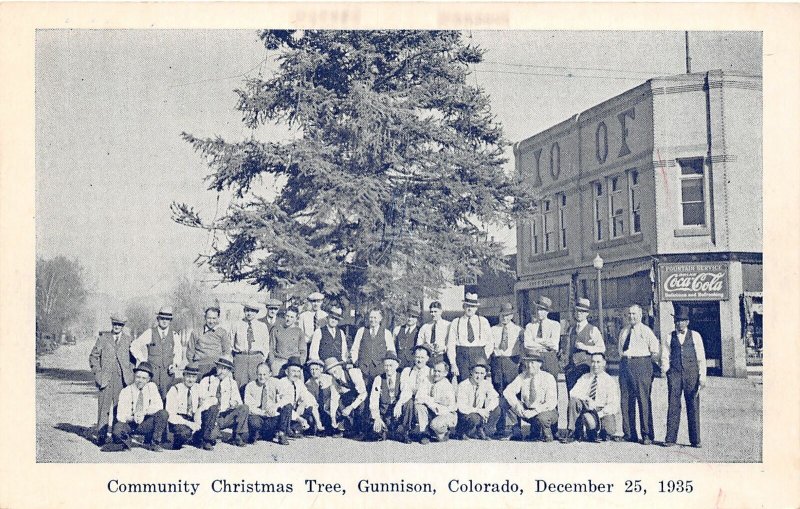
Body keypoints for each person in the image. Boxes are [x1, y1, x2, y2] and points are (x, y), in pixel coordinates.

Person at [661, 308, 706, 448]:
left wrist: (702, 377)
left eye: (681, 321)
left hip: (691, 375)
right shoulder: (669, 336)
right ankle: (670, 439)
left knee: (693, 405)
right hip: (674, 374)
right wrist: (666, 370)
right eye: (677, 321)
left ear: (687, 322)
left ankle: (695, 440)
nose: (679, 324)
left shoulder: (696, 336)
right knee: (673, 405)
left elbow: (701, 358)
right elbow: (665, 355)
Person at [89, 314, 135, 446]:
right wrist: (98, 373)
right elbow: (93, 357)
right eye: (115, 324)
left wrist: (129, 372)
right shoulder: (103, 338)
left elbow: (133, 359)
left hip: (122, 380)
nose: (117, 327)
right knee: (104, 408)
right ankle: (101, 436)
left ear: (123, 326)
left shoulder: (128, 340)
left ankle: (116, 435)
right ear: (112, 324)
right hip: (106, 379)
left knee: (119, 408)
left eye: (120, 325)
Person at [617, 304, 660, 445]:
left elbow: (655, 351)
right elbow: (620, 351)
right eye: (629, 314)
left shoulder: (646, 331)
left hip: (641, 365)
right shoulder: (624, 331)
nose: (631, 316)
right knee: (626, 400)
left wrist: (647, 366)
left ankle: (647, 434)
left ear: (640, 315)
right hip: (625, 366)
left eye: (634, 314)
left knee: (643, 400)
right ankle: (629, 433)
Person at [106, 362, 168, 452]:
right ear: (134, 376)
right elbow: (120, 415)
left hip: (145, 423)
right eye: (138, 377)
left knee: (163, 414)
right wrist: (132, 417)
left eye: (144, 378)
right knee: (117, 429)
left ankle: (154, 443)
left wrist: (144, 412)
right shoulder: (126, 391)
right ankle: (126, 443)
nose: (140, 380)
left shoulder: (152, 387)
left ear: (149, 379)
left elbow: (159, 405)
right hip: (131, 424)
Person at [561, 353, 622, 443]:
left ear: (604, 363)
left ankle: (596, 431)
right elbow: (573, 393)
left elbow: (614, 405)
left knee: (609, 431)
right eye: (593, 362)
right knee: (574, 401)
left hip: (602, 411)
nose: (595, 365)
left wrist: (599, 414)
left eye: (598, 362)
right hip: (587, 407)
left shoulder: (609, 381)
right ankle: (572, 432)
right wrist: (587, 399)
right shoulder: (585, 377)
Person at [503, 350, 558, 442]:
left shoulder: (548, 377)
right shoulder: (522, 376)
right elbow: (508, 392)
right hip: (527, 410)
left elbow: (551, 402)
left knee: (542, 418)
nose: (529, 365)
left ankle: (546, 433)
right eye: (527, 362)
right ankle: (516, 432)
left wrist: (535, 411)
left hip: (543, 411)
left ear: (539, 364)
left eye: (532, 362)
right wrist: (517, 404)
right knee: (505, 402)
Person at [197, 356, 249, 449]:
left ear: (229, 371)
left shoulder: (231, 383)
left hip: (224, 416)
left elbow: (238, 401)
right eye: (220, 367)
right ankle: (206, 440)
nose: (222, 371)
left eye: (225, 369)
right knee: (213, 437)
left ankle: (237, 436)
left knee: (244, 408)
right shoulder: (207, 381)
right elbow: (201, 400)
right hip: (210, 416)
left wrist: (234, 403)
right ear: (216, 367)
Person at [130, 306, 182, 399]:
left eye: (167, 319)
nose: (164, 321)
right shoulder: (150, 332)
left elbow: (178, 352)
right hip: (153, 374)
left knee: (167, 399)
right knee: (151, 398)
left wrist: (175, 364)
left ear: (170, 320)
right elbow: (134, 346)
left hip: (167, 375)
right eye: (162, 318)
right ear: (158, 319)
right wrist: (142, 360)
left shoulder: (174, 335)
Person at [489, 302, 523, 438]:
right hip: (497, 362)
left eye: (508, 315)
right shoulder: (493, 329)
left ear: (512, 315)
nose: (505, 317)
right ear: (499, 314)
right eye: (503, 314)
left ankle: (515, 428)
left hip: (512, 362)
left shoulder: (519, 330)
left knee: (513, 394)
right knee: (499, 393)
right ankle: (501, 427)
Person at [560, 298, 605, 394]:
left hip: (585, 369)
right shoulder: (571, 329)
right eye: (577, 311)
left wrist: (586, 347)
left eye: (582, 311)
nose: (579, 313)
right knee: (572, 397)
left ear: (587, 313)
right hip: (571, 369)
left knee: (585, 397)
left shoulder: (593, 329)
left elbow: (602, 348)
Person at [447, 293, 492, 382]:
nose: (470, 308)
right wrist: (453, 363)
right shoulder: (456, 322)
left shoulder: (483, 321)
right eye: (467, 306)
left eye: (472, 306)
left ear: (476, 308)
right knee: (463, 383)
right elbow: (451, 344)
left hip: (479, 354)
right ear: (464, 306)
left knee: (479, 383)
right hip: (462, 355)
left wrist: (484, 356)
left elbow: (490, 342)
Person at [243, 363, 292, 445]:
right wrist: (263, 412)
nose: (262, 377)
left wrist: (275, 406)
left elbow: (287, 397)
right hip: (259, 417)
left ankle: (281, 434)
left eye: (265, 374)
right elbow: (249, 406)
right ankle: (256, 434)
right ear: (256, 374)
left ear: (270, 374)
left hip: (272, 417)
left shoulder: (276, 382)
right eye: (260, 374)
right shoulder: (250, 386)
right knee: (253, 420)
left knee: (288, 406)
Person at [394, 344, 434, 443]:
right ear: (413, 357)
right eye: (417, 357)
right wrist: (399, 403)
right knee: (408, 403)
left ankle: (425, 433)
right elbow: (406, 390)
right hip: (411, 400)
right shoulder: (407, 371)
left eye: (422, 358)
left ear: (427, 358)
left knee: (419, 405)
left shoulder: (431, 372)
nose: (419, 360)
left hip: (425, 401)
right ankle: (405, 431)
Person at [456, 357, 500, 440]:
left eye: (482, 373)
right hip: (466, 415)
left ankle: (483, 431)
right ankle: (464, 432)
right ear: (471, 372)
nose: (478, 376)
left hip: (480, 413)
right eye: (476, 373)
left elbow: (495, 398)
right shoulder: (463, 385)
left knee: (497, 409)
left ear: (485, 374)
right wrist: (478, 410)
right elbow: (461, 407)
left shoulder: (486, 384)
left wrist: (487, 409)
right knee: (474, 418)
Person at [323, 356, 369, 439]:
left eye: (335, 371)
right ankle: (344, 429)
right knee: (339, 402)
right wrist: (333, 417)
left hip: (364, 394)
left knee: (360, 405)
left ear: (340, 367)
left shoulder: (353, 373)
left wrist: (350, 407)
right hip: (352, 394)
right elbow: (334, 398)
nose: (334, 375)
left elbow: (363, 393)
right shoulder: (334, 380)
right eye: (331, 374)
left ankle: (360, 431)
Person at [279, 356, 325, 437]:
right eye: (293, 371)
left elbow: (309, 397)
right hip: (283, 414)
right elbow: (284, 405)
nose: (296, 374)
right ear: (286, 372)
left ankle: (315, 425)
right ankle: (287, 430)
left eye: (298, 371)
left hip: (294, 413)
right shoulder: (282, 383)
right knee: (288, 408)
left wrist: (303, 404)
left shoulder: (299, 383)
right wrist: (299, 419)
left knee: (309, 405)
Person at [231, 300, 271, 388]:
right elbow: (231, 343)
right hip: (241, 358)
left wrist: (262, 358)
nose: (249, 313)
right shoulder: (237, 324)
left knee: (255, 383)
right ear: (244, 311)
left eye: (252, 311)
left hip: (256, 358)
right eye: (247, 310)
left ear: (256, 312)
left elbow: (266, 344)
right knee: (239, 383)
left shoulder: (262, 326)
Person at [415, 360, 457, 443]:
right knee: (419, 406)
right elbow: (418, 397)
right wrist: (435, 401)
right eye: (435, 370)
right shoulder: (427, 380)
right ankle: (425, 433)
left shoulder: (447, 386)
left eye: (439, 371)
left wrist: (427, 400)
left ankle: (443, 432)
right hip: (433, 410)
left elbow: (449, 406)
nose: (436, 373)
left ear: (445, 373)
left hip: (446, 413)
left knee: (436, 426)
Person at [186, 305, 232, 379]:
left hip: (216, 367)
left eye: (214, 318)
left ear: (218, 319)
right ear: (205, 318)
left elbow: (226, 352)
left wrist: (221, 369)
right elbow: (190, 352)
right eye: (209, 318)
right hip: (199, 367)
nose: (211, 321)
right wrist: (193, 366)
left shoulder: (222, 332)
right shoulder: (196, 332)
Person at [351, 308, 396, 383]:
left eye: (375, 317)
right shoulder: (361, 331)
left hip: (379, 371)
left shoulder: (386, 333)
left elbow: (391, 352)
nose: (372, 320)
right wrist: (356, 363)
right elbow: (354, 349)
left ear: (380, 318)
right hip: (362, 369)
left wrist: (386, 367)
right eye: (371, 317)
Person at [165, 363, 203, 449]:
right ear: (183, 376)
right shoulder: (175, 389)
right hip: (179, 420)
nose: (191, 380)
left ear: (196, 378)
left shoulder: (198, 388)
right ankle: (178, 441)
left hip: (194, 417)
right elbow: (171, 415)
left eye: (193, 377)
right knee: (184, 433)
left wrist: (200, 411)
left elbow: (213, 399)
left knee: (213, 432)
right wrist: (189, 424)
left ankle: (196, 440)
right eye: (188, 376)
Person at [523, 296, 561, 380]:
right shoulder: (530, 326)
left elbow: (554, 344)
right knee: (535, 384)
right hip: (534, 357)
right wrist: (545, 344)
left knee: (551, 385)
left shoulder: (555, 325)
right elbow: (527, 344)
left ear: (547, 311)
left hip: (549, 358)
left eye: (542, 310)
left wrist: (536, 340)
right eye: (538, 309)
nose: (539, 312)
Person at [367, 352, 403, 441]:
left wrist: (399, 404)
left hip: (397, 412)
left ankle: (400, 431)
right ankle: (385, 431)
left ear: (396, 366)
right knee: (376, 432)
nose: (388, 368)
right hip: (384, 412)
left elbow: (406, 392)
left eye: (391, 365)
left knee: (409, 403)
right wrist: (377, 417)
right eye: (386, 365)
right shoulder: (379, 379)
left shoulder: (401, 377)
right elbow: (373, 400)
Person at [269, 306, 306, 377]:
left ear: (296, 318)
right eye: (287, 316)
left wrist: (299, 364)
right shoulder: (276, 329)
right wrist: (272, 363)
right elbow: (271, 348)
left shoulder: (299, 331)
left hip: (294, 363)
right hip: (278, 363)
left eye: (292, 317)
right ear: (284, 316)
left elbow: (303, 351)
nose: (288, 319)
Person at [305, 358, 336, 435]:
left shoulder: (330, 379)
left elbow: (335, 395)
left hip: (330, 406)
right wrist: (318, 422)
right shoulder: (308, 383)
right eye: (312, 369)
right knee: (311, 418)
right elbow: (312, 402)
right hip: (317, 408)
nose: (314, 372)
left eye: (316, 369)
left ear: (321, 369)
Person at [417, 301, 450, 366]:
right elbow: (419, 343)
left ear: (441, 311)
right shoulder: (425, 327)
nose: (433, 314)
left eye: (435, 311)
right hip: (428, 358)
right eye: (431, 312)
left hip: (443, 357)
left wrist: (443, 348)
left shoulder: (448, 325)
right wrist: (426, 346)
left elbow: (452, 343)